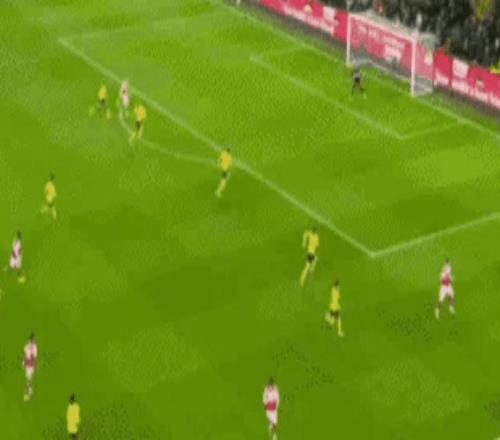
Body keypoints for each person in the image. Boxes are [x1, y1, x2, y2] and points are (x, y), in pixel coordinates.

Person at [23, 333, 38, 401]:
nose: (35, 340)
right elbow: (30, 356)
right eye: (34, 339)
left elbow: (32, 357)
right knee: (28, 380)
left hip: (29, 365)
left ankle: (28, 393)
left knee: (29, 380)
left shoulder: (31, 346)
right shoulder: (32, 346)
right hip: (29, 365)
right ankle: (27, 394)